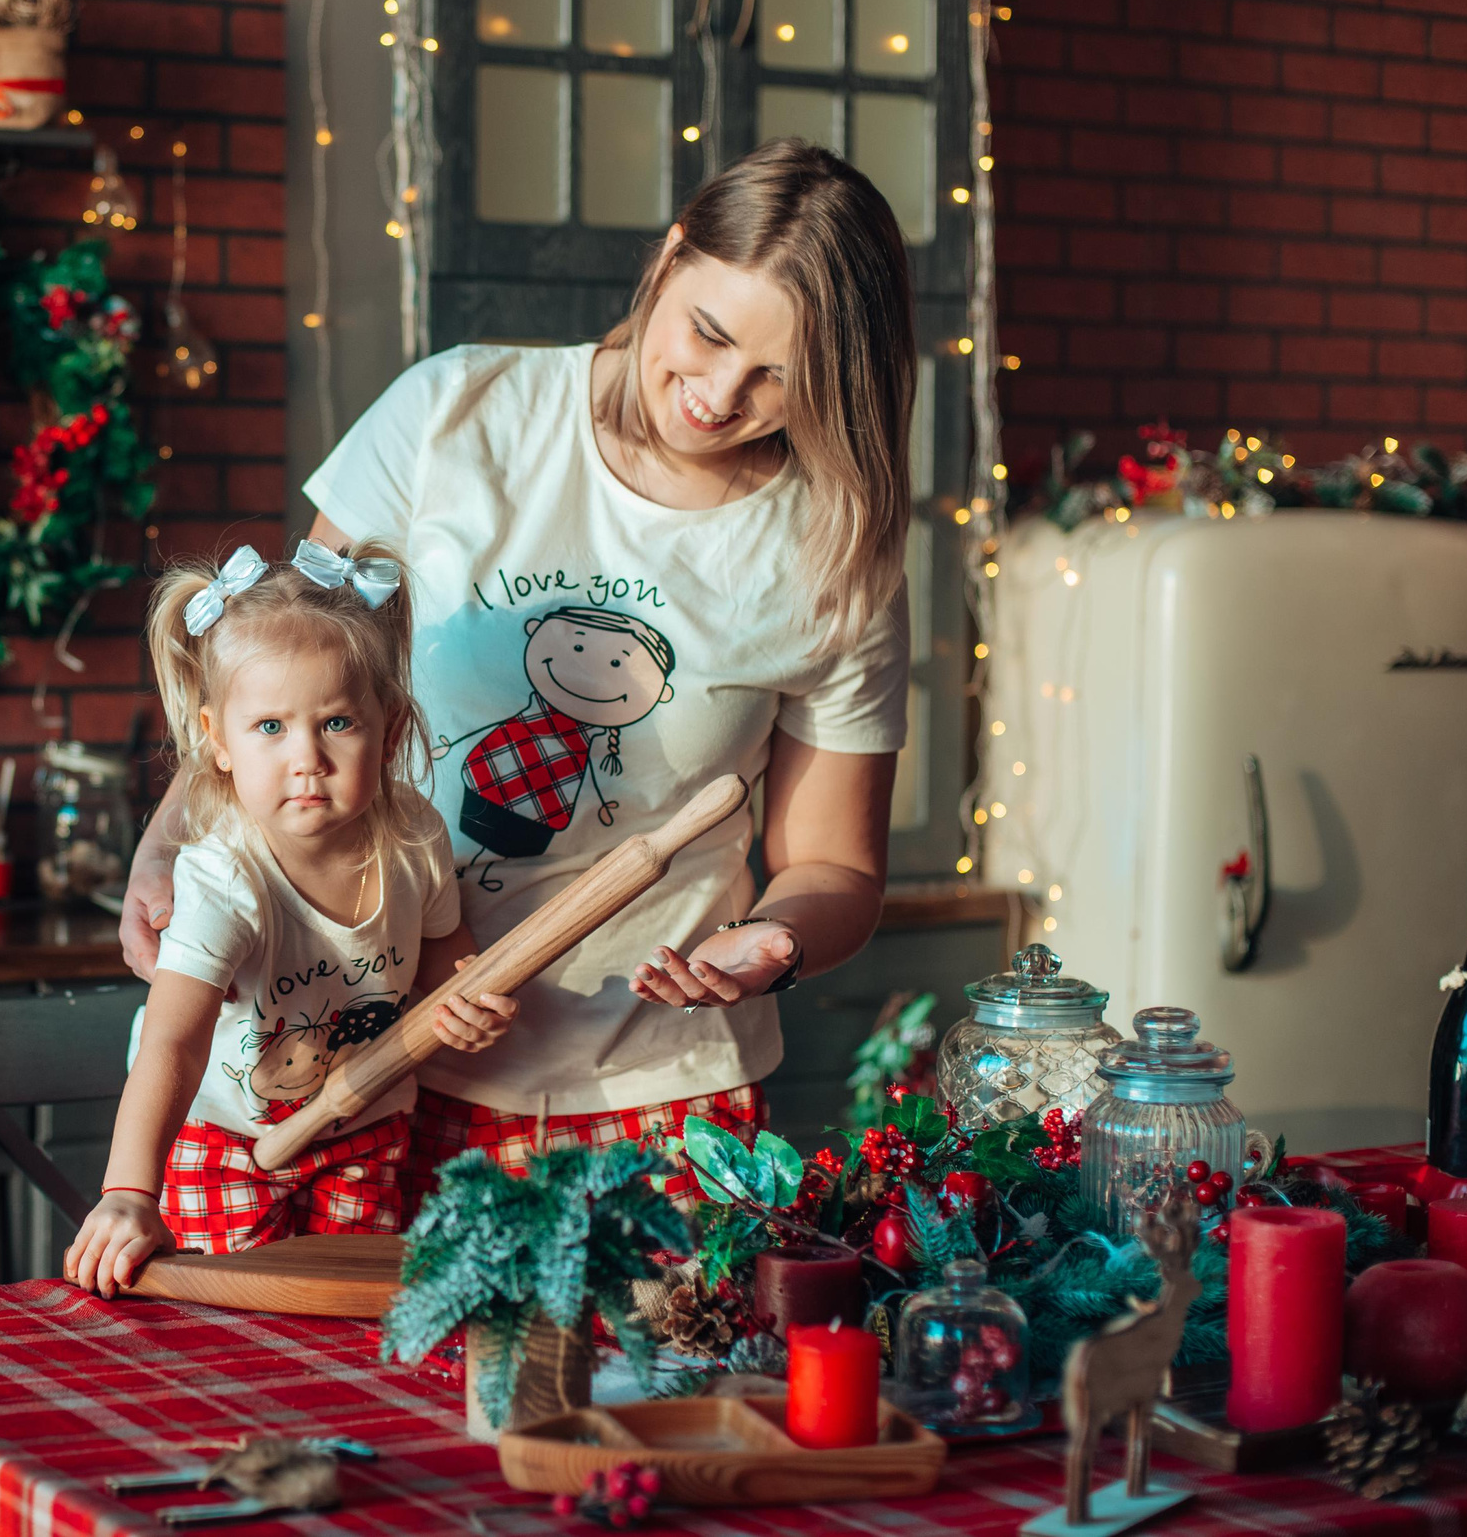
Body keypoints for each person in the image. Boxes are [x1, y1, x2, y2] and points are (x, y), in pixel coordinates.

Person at [120, 139, 915, 1206]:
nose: (721, 395)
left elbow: (835, 871)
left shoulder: (833, 548)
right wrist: (172, 836)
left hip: (660, 1090)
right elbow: (278, 666)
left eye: (782, 375)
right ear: (669, 258)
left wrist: (771, 941)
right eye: (709, 334)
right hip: (374, 1059)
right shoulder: (455, 413)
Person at [65, 540, 519, 1296]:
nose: (306, 757)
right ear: (218, 742)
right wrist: (128, 1194)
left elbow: (448, 965)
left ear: (392, 728)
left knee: (353, 1322)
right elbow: (173, 1044)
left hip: (365, 1132)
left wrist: (473, 1004)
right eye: (270, 727)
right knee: (232, 1329)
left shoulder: (416, 840)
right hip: (224, 1141)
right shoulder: (223, 875)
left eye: (337, 722)